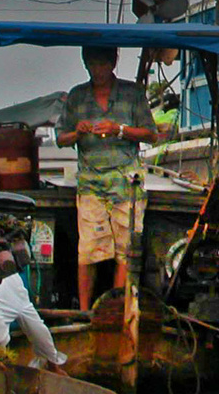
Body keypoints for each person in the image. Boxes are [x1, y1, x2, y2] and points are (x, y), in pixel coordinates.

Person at [55, 46, 157, 311]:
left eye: (101, 65)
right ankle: (86, 312)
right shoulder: (77, 96)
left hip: (126, 182)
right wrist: (77, 132)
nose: (97, 71)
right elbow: (60, 138)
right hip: (90, 183)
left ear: (112, 63)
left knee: (125, 250)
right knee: (88, 252)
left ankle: (118, 309)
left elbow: (150, 134)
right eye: (92, 65)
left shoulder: (133, 93)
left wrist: (118, 129)